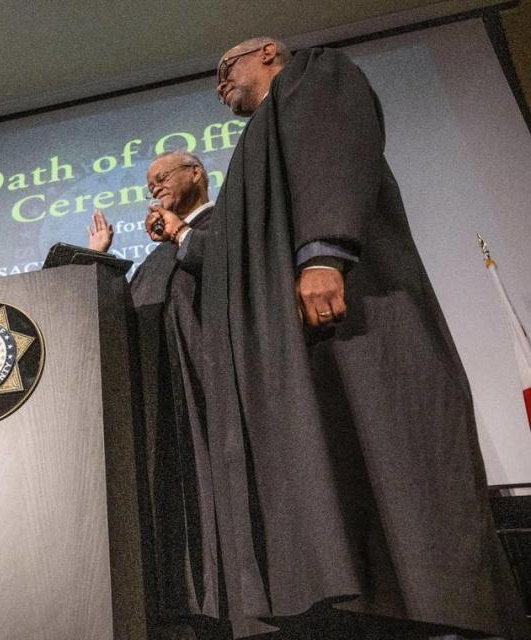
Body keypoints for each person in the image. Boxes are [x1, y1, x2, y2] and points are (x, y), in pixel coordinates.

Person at [142, 37, 529, 638]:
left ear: (270, 52)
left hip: (351, 315)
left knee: (393, 463)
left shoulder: (314, 78)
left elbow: (336, 153)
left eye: (226, 68)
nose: (219, 83)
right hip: (302, 348)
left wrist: (323, 256)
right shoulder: (257, 140)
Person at [89, 151, 236, 639]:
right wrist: (101, 263)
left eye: (162, 178)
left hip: (206, 390)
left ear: (196, 172)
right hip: (157, 402)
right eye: (149, 184)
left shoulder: (224, 222)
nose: (154, 189)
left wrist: (178, 233)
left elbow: (233, 273)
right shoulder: (155, 255)